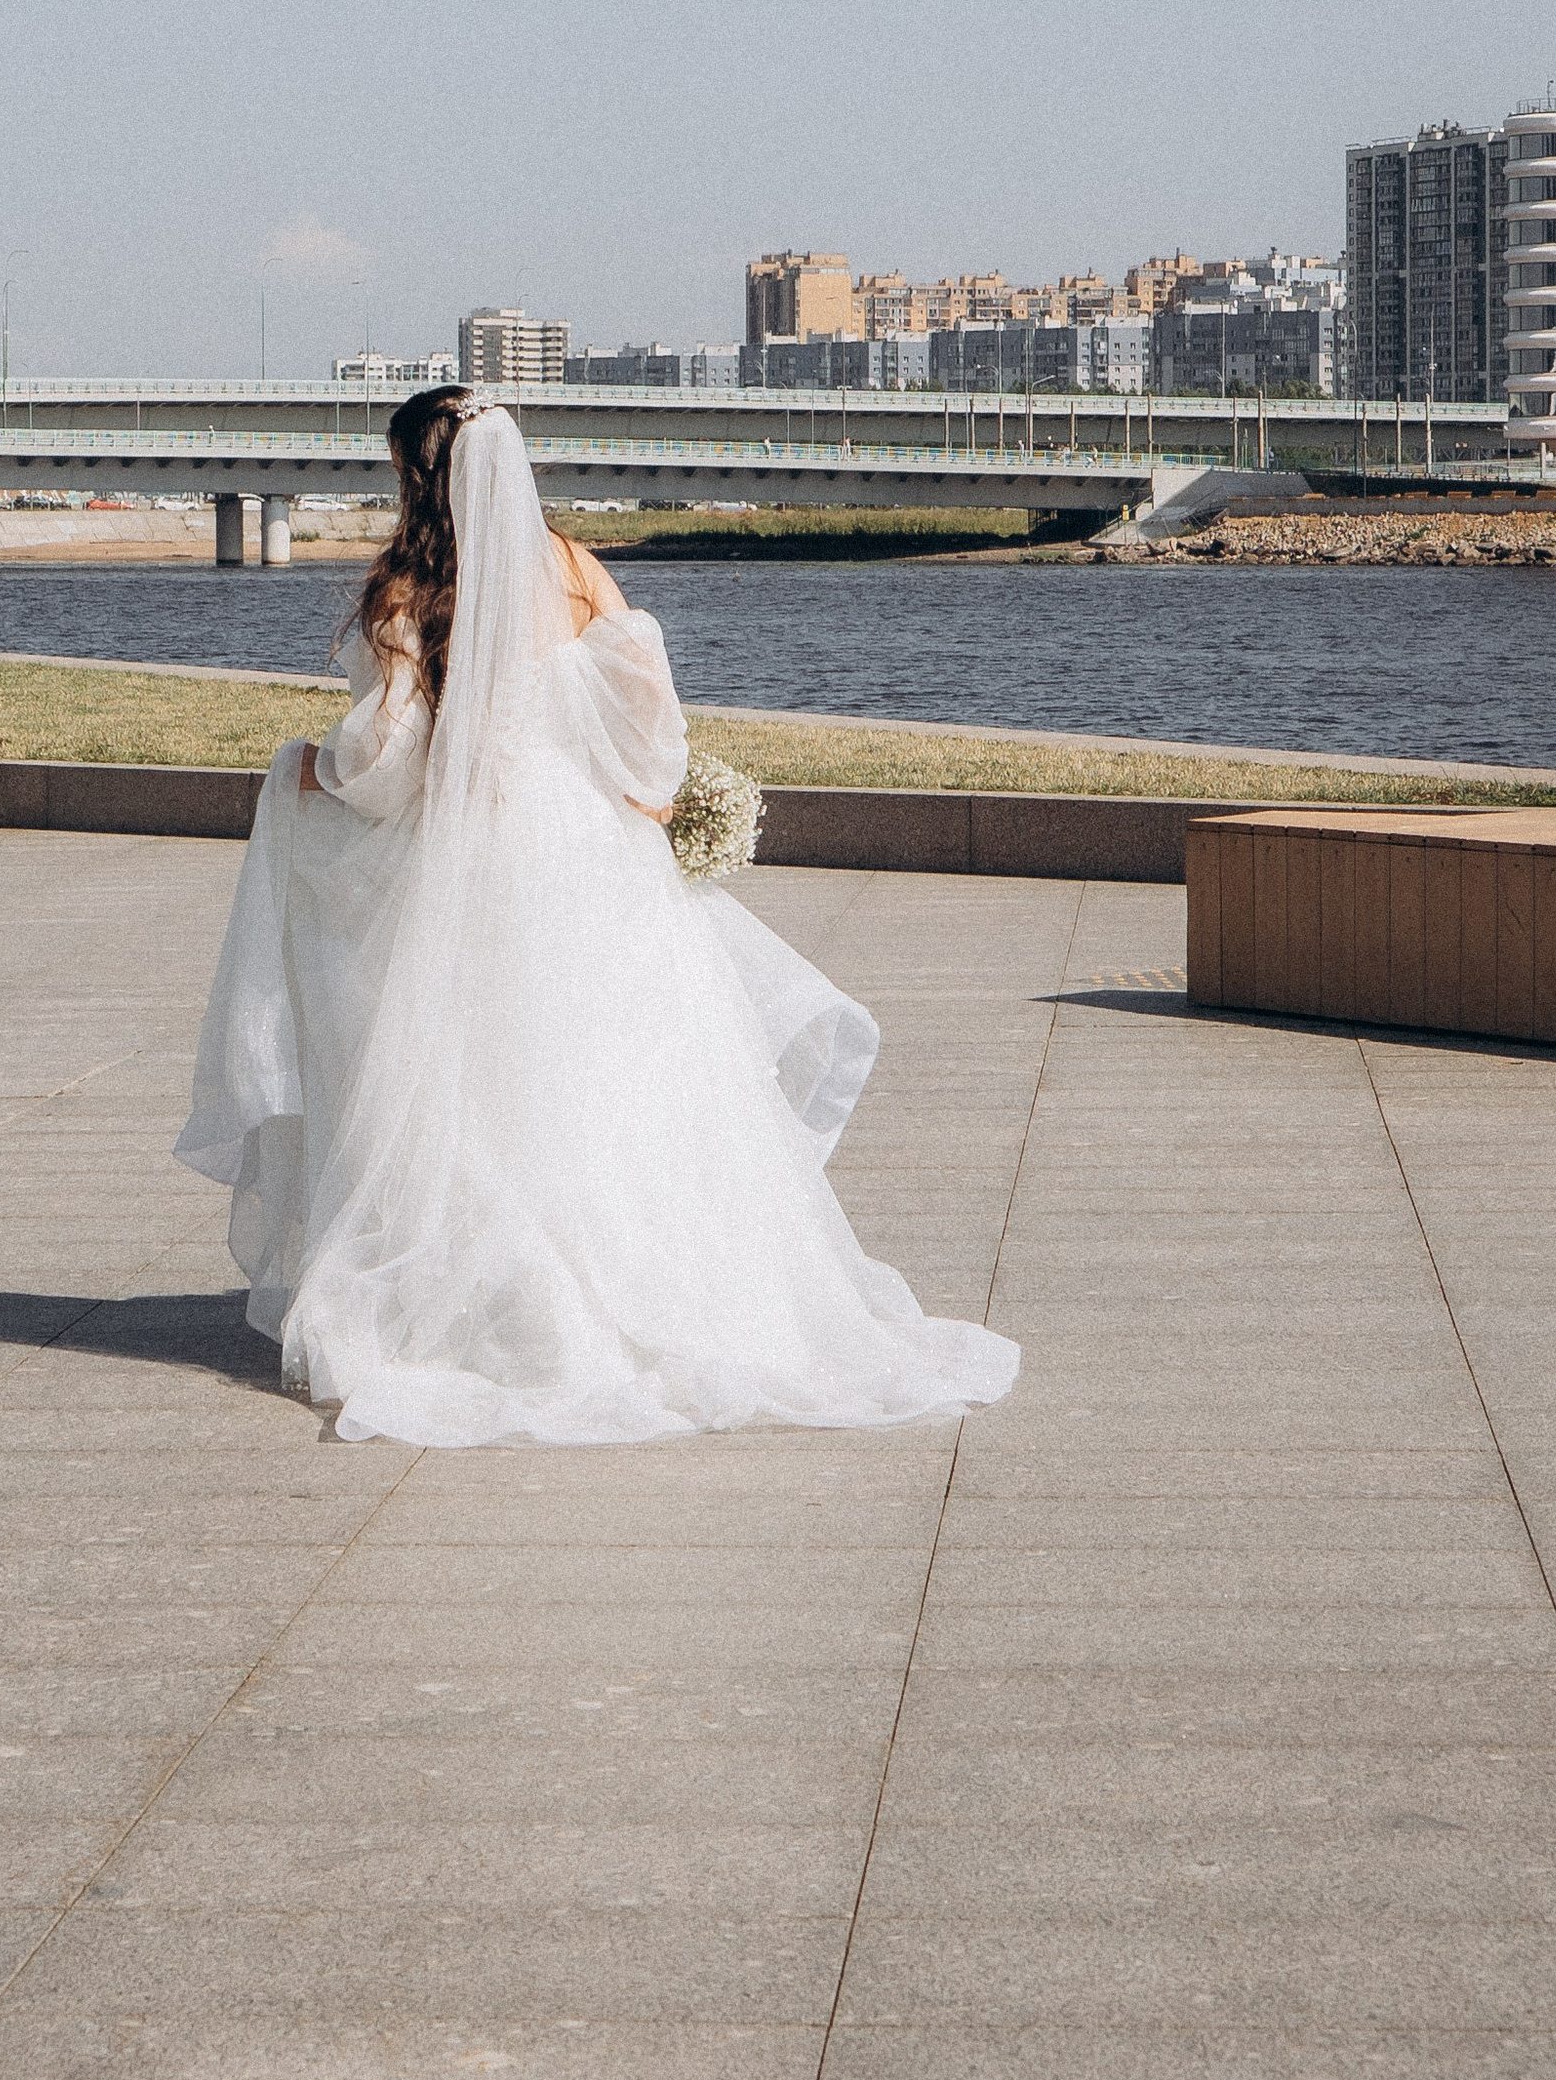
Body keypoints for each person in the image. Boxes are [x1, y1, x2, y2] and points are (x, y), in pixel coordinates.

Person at [176, 387, 1019, 1447]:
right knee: (607, 1069)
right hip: (583, 840)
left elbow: (387, 764)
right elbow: (647, 711)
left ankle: (506, 1300)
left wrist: (308, 770)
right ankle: (662, 1291)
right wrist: (644, 801)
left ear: (417, 477)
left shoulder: (408, 592)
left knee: (473, 1079)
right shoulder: (575, 568)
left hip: (471, 852)